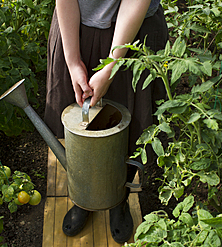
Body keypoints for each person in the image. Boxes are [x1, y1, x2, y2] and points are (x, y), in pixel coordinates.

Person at [44, 0, 168, 243]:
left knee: (131, 127)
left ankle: (118, 199)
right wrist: (72, 62)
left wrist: (113, 65)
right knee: (80, 122)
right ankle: (86, 197)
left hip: (134, 32)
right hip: (74, 27)